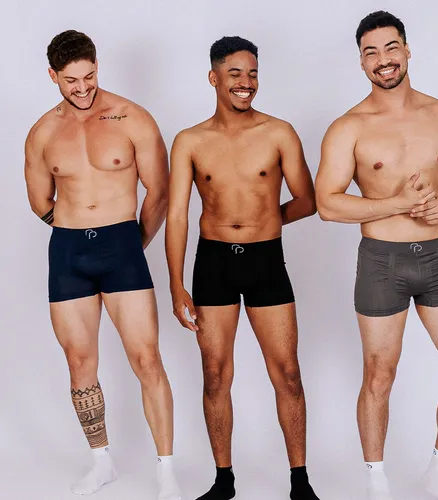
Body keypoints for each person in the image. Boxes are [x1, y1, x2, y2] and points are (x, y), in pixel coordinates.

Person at [315, 11, 438, 500]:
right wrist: (397, 204)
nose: (383, 59)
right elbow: (327, 204)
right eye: (370, 52)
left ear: (407, 50)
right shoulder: (348, 127)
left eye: (390, 47)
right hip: (381, 263)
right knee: (379, 376)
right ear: (361, 62)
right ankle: (376, 482)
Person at [24, 30, 182, 500]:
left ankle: (166, 471)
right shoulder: (42, 132)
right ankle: (102, 462)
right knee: (80, 362)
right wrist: (74, 228)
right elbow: (39, 200)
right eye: (71, 80)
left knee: (147, 358)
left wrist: (132, 242)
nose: (83, 88)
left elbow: (160, 190)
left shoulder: (132, 117)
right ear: (53, 76)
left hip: (122, 248)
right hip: (68, 253)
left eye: (89, 76)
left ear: (97, 67)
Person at [166, 36, 319, 500]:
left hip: (265, 260)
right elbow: (177, 216)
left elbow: (307, 200)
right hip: (213, 263)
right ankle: (224, 480)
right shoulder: (190, 140)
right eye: (235, 74)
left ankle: (300, 482)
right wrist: (175, 284)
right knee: (215, 374)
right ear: (214, 78)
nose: (246, 83)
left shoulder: (279, 132)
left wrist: (266, 220)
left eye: (252, 74)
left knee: (287, 373)